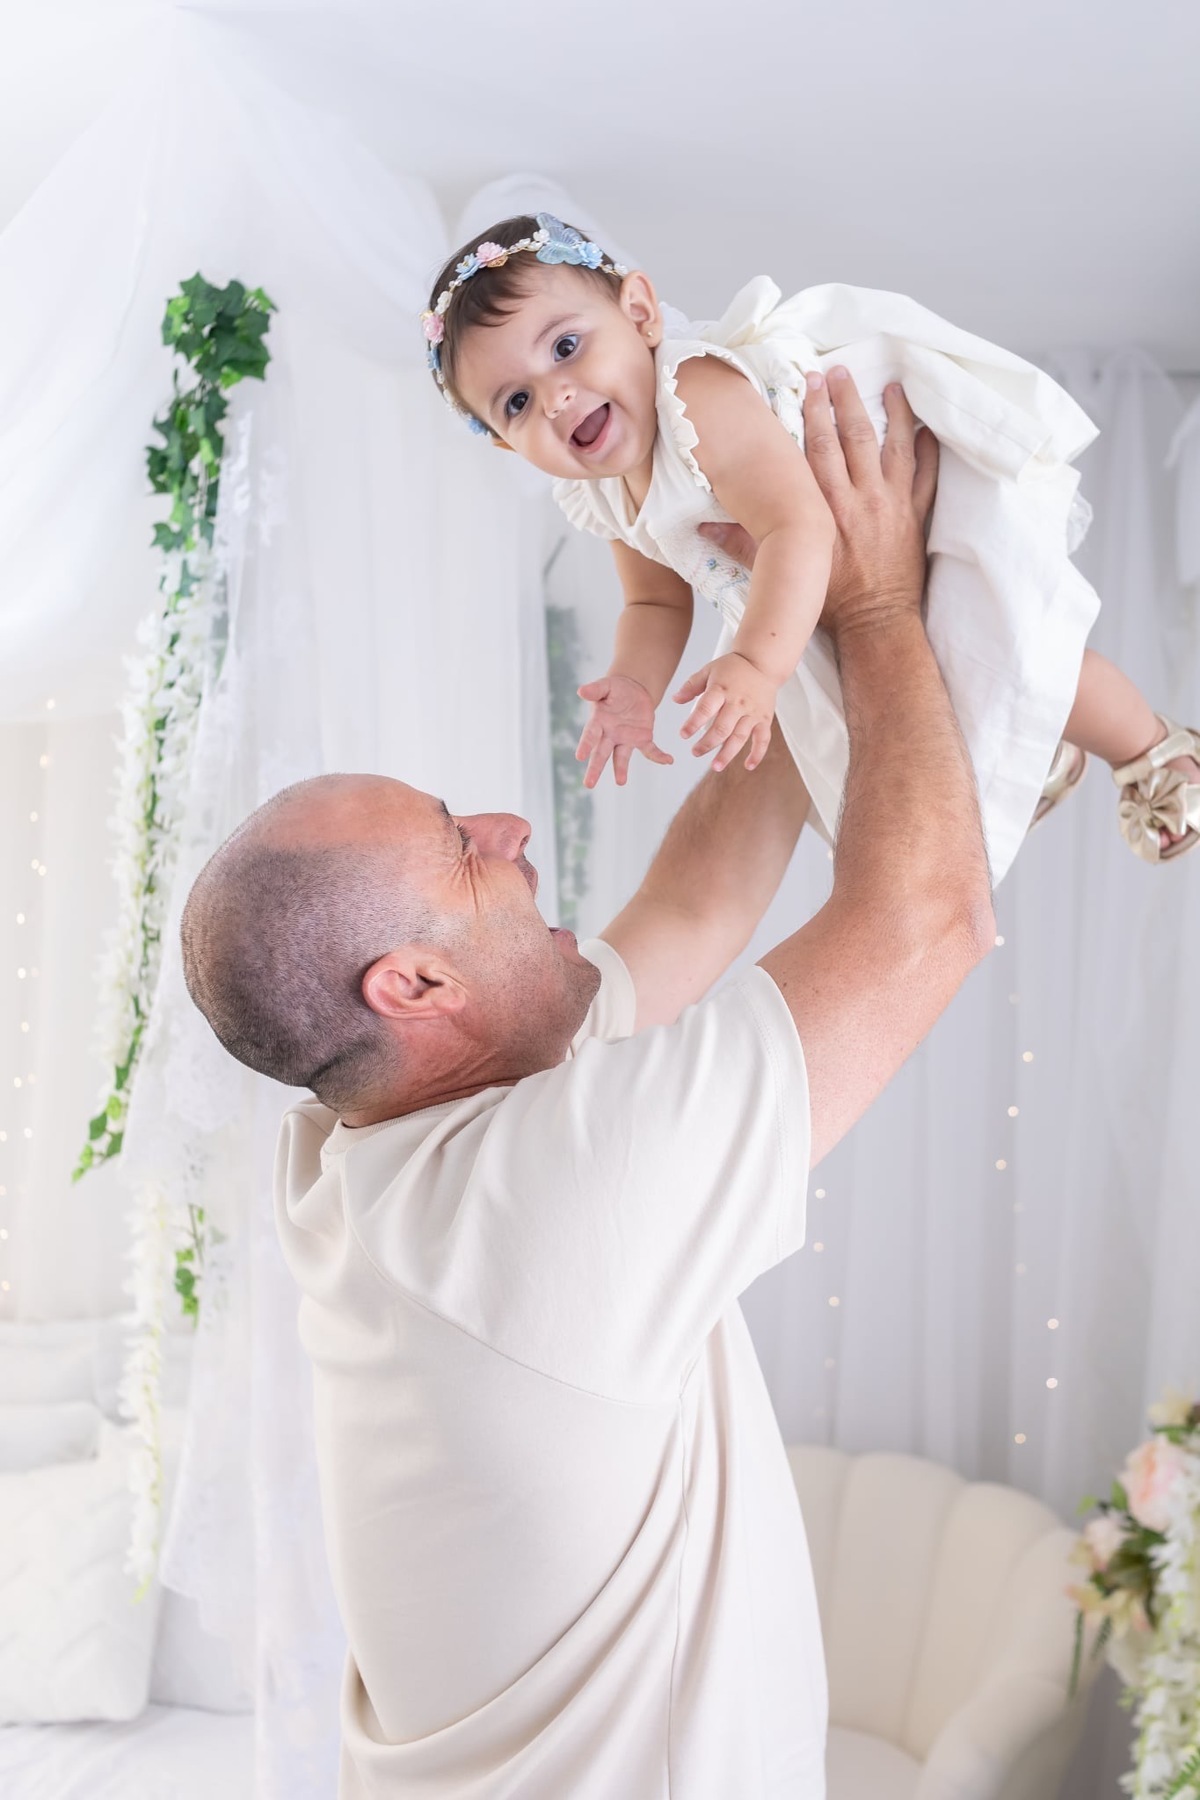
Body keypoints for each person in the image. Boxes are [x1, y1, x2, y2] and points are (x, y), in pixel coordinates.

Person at [180, 373, 993, 1798]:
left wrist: (776, 621)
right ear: (414, 990)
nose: (510, 824)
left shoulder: (368, 1142)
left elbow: (695, 897)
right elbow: (930, 917)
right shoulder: (547, 1193)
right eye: (464, 845)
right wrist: (872, 609)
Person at [423, 212, 1200, 874]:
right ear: (503, 443)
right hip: (820, 586)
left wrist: (759, 665)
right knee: (889, 724)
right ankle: (1044, 760)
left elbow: (797, 524)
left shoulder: (693, 394)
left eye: (564, 347)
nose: (556, 396)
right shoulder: (603, 490)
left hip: (893, 511)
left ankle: (1157, 752)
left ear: (641, 314)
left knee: (1016, 652)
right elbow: (654, 598)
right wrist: (634, 686)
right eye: (516, 402)